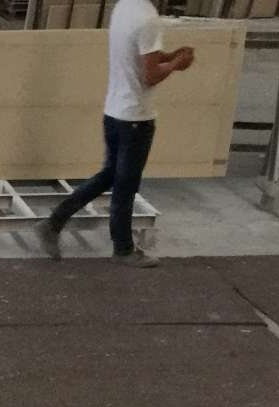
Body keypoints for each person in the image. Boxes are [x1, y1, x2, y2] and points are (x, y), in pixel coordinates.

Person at [39, 0, 194, 268]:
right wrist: (177, 63)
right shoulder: (148, 18)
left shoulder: (124, 7)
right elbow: (149, 76)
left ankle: (54, 223)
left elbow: (137, 55)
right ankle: (123, 249)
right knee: (125, 186)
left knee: (110, 176)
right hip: (135, 118)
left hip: (114, 112)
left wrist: (168, 57)